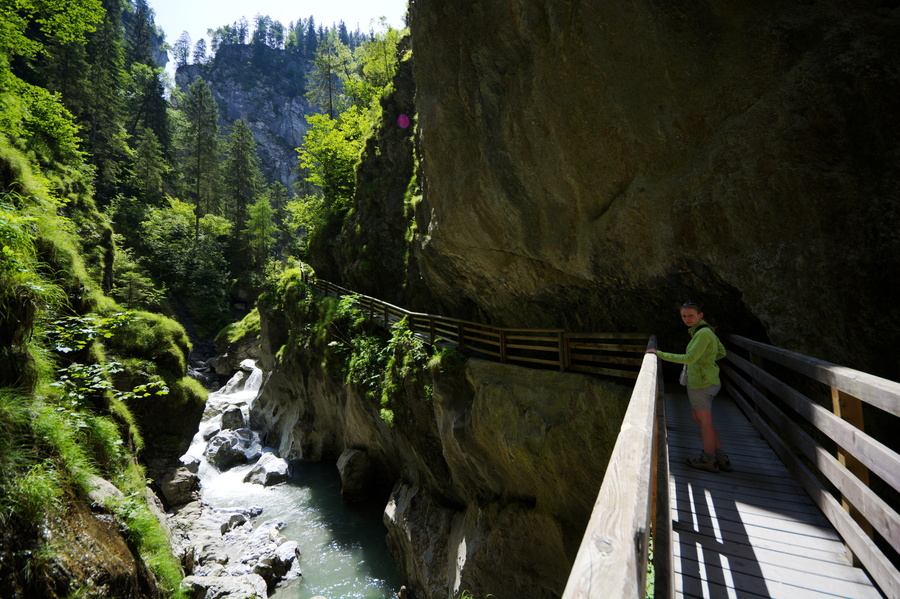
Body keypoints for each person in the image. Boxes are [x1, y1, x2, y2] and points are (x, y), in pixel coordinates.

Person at [647, 301, 731, 473]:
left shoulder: (703, 333)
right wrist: (706, 361)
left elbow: (690, 358)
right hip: (707, 381)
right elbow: (721, 352)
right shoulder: (704, 331)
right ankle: (721, 457)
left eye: (690, 315)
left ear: (700, 315)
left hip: (702, 384)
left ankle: (709, 459)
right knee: (699, 419)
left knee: (705, 422)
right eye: (684, 316)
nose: (686, 319)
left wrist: (660, 354)